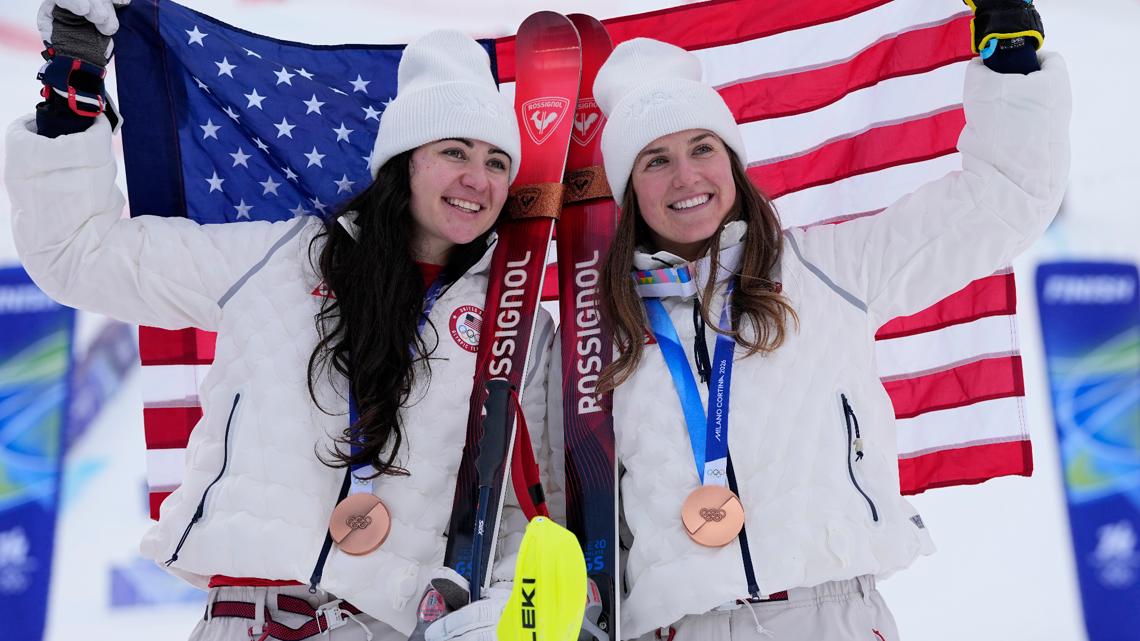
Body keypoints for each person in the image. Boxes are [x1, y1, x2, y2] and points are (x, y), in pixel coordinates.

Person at [8, 2, 555, 639]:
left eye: (497, 162)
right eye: (454, 151)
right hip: (243, 623)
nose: (476, 179)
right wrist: (74, 79)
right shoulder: (281, 258)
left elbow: (523, 508)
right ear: (403, 161)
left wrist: (503, 616)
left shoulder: (518, 321)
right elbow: (80, 255)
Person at [546, 1, 1068, 639]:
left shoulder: (829, 269)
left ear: (732, 162)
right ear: (630, 192)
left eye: (702, 147)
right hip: (685, 627)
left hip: (833, 613)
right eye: (655, 160)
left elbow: (1005, 201)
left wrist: (1011, 61)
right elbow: (576, 506)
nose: (686, 176)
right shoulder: (604, 332)